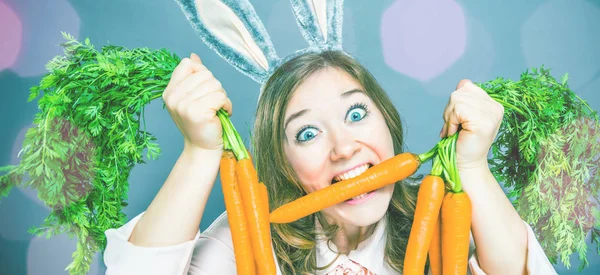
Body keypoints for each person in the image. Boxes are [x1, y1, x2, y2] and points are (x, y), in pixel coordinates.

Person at [102, 50, 558, 274]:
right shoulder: (251, 238)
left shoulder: (439, 216)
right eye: (307, 133)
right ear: (282, 163)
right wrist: (200, 151)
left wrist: (473, 167)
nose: (343, 147)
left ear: (388, 122)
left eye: (356, 114)